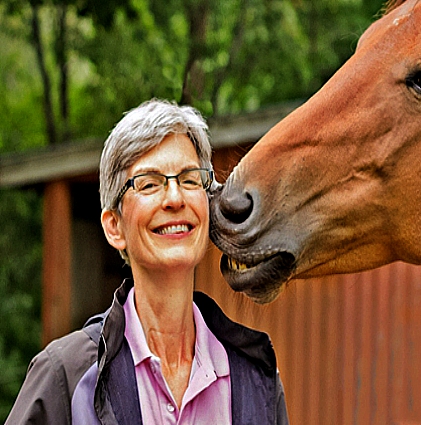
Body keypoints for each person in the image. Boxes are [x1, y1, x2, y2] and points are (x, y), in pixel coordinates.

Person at [6, 99, 289, 424]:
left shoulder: (256, 377)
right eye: (149, 183)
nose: (174, 198)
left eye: (189, 179)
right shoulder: (64, 377)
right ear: (114, 226)